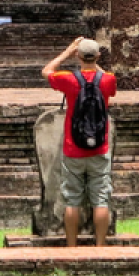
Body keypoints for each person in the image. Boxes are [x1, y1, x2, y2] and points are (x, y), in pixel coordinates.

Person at [42, 37, 117, 247]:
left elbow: (47, 71)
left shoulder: (69, 79)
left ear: (79, 56)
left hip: (73, 147)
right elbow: (107, 82)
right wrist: (94, 63)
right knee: (101, 199)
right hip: (99, 147)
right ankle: (100, 246)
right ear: (98, 56)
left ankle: (72, 246)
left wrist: (68, 52)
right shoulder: (108, 79)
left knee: (72, 200)